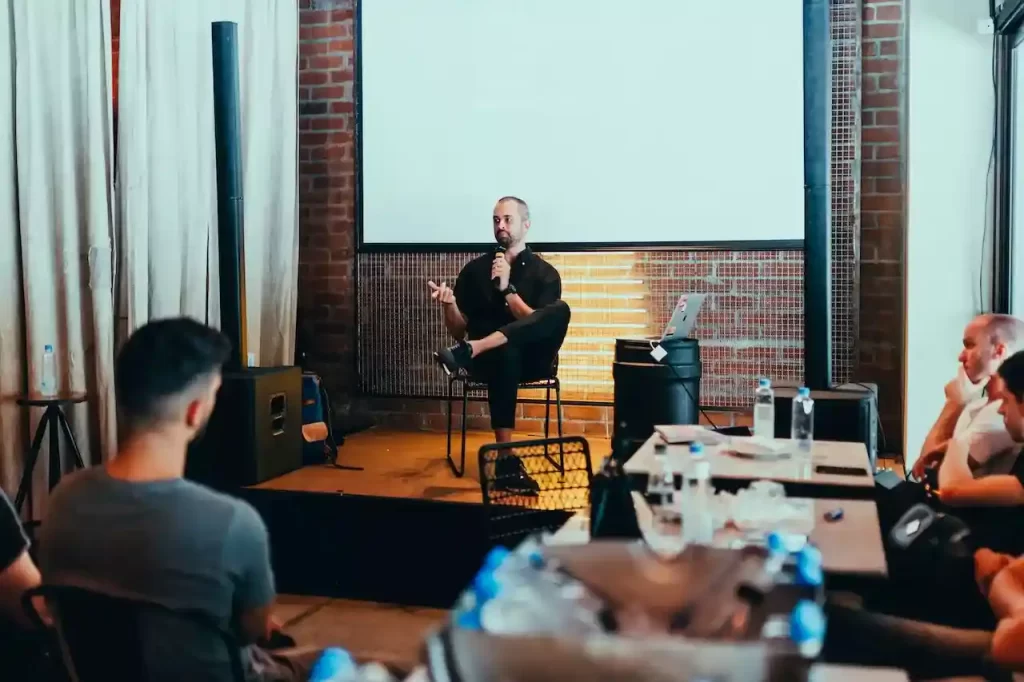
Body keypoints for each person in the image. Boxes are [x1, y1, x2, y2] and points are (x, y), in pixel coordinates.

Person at [38, 318, 320, 681]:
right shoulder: (234, 523)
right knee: (366, 665)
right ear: (194, 411)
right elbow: (255, 629)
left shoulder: (63, 501)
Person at [430, 196, 571, 445]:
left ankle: (472, 349)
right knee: (506, 352)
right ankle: (507, 456)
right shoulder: (475, 271)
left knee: (561, 310)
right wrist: (449, 305)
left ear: (526, 225)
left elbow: (543, 328)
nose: (500, 226)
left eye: (508, 219)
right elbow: (457, 331)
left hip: (533, 360)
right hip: (489, 363)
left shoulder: (545, 273)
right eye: (496, 220)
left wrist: (507, 290)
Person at [911, 314, 1024, 484]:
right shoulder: (977, 405)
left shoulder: (1001, 416)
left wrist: (953, 404)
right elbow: (923, 465)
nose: (961, 357)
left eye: (970, 345)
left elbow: (931, 472)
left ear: (999, 351)